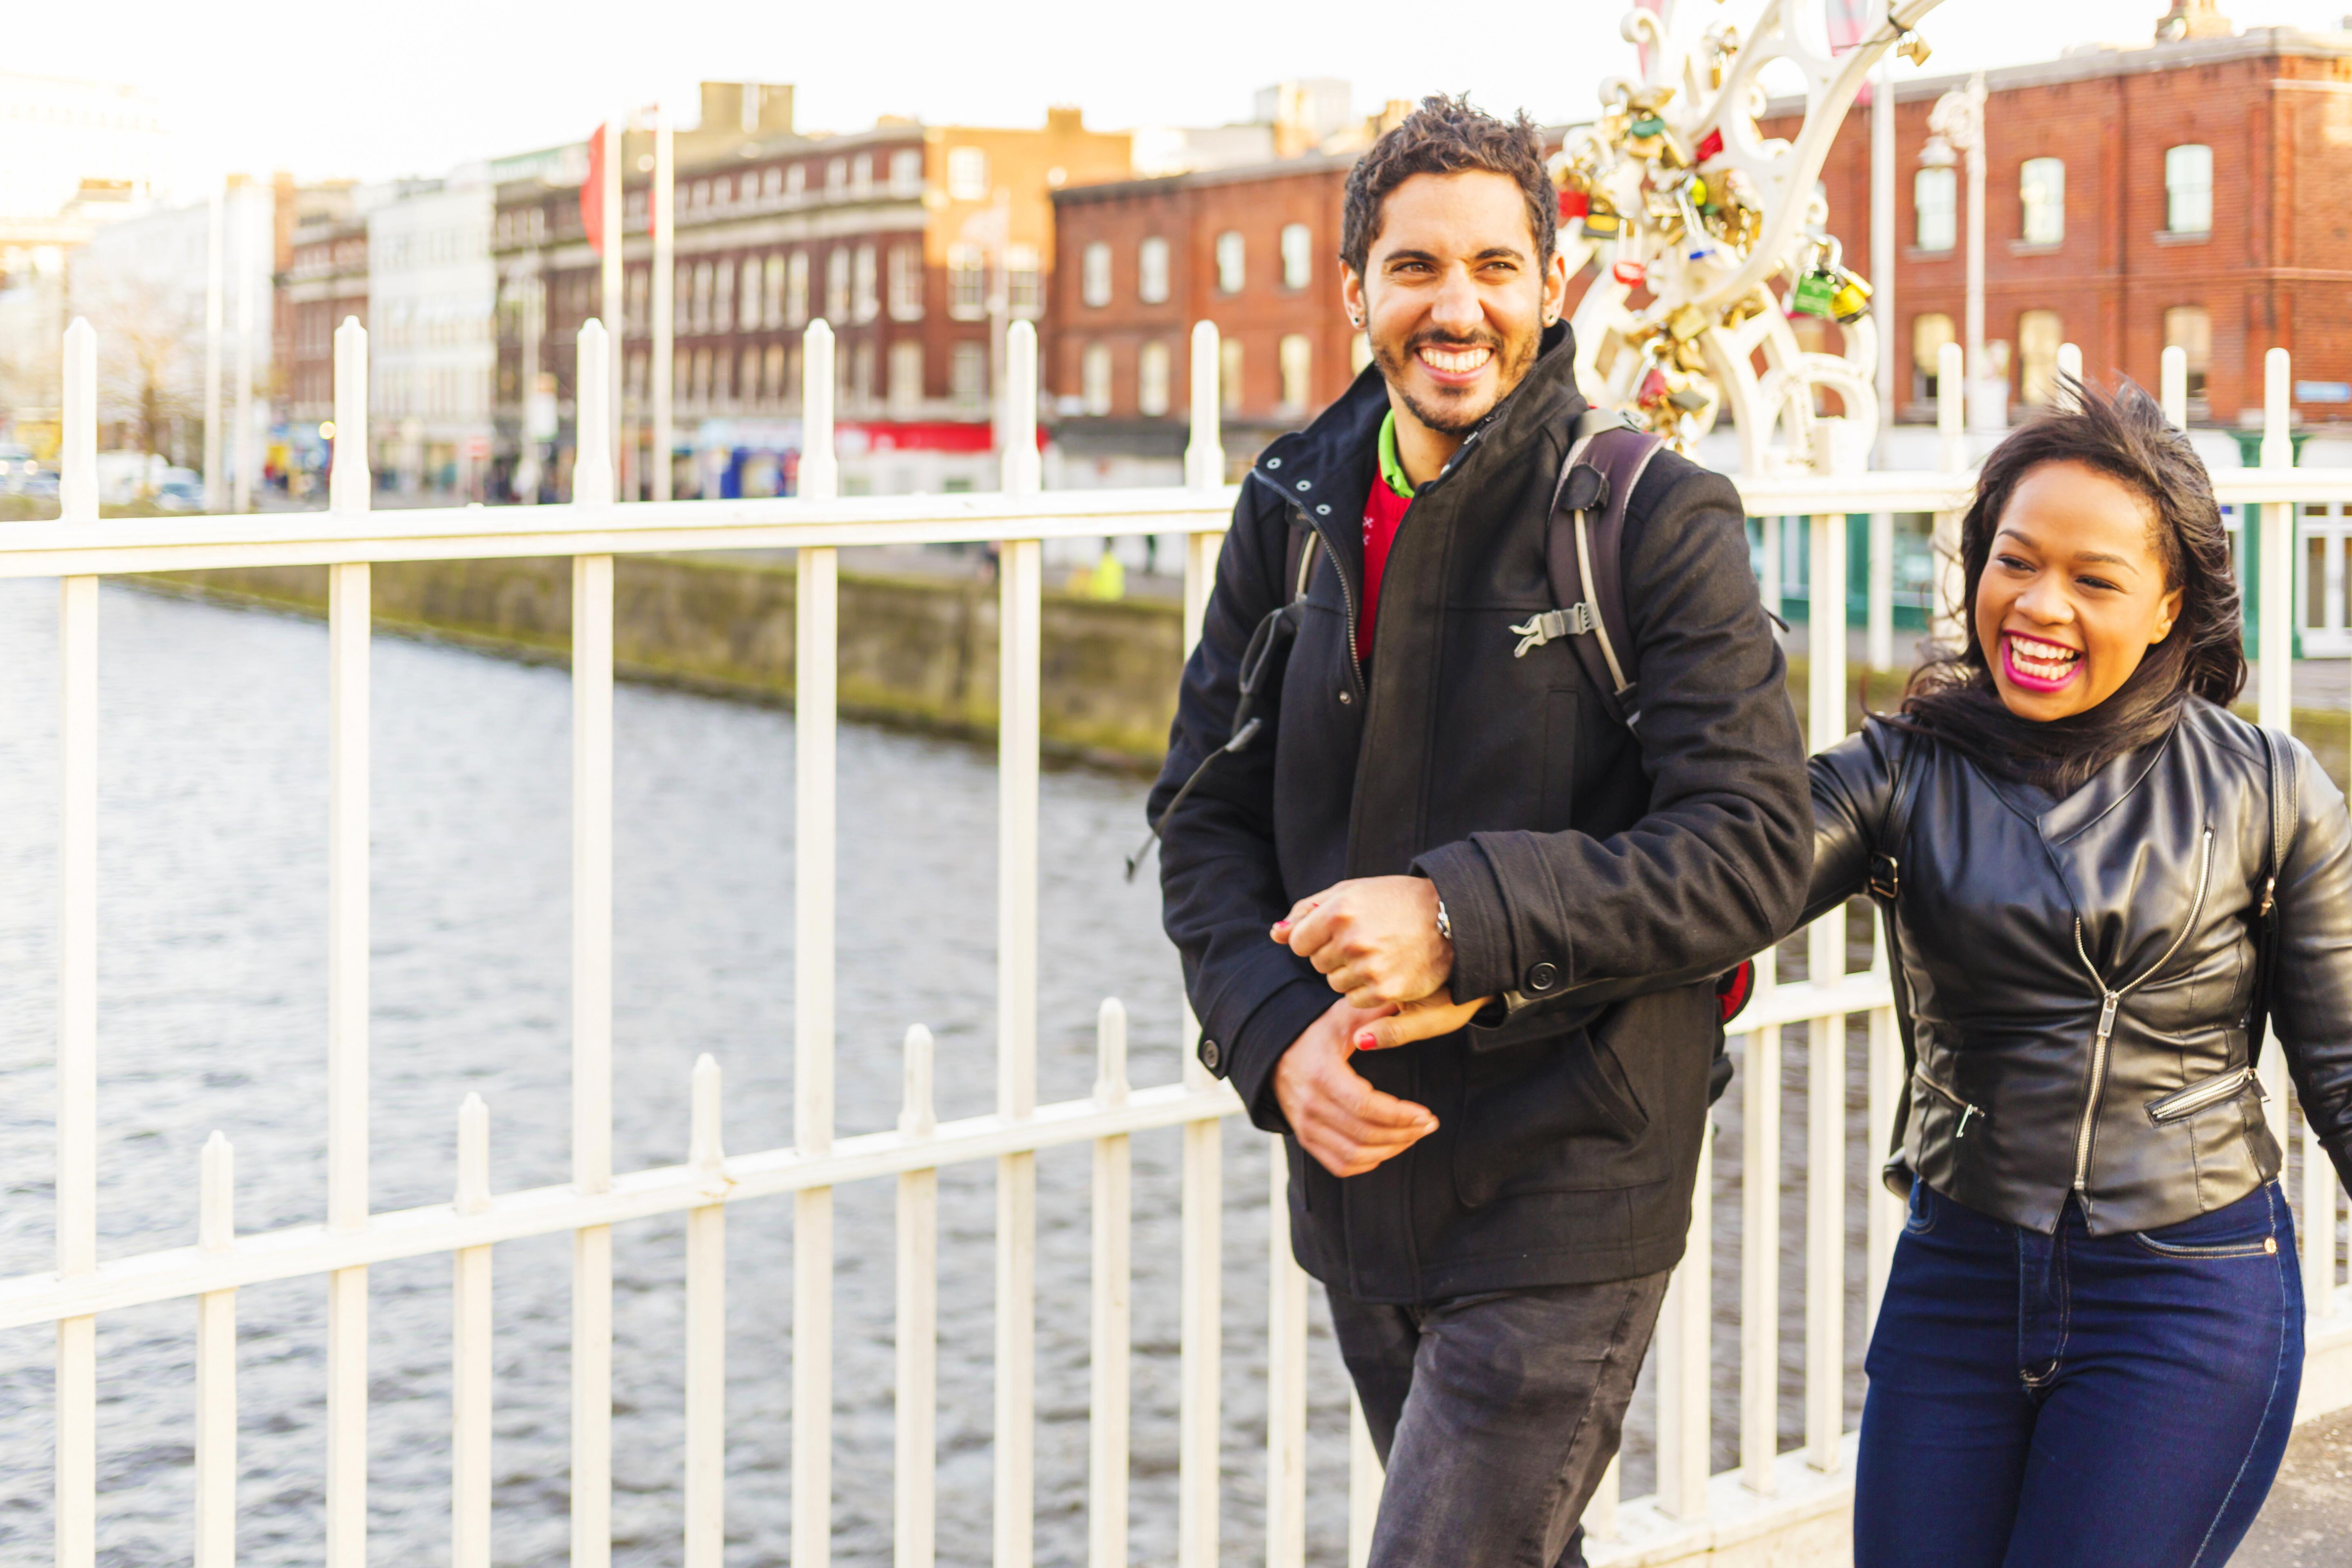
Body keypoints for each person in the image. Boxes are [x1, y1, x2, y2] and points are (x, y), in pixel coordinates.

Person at [1149, 95, 1810, 1567]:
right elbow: (1203, 815)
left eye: (1497, 269)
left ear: (1550, 286)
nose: (1459, 309)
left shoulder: (1650, 516)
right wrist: (1272, 1037)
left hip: (1575, 1166)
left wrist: (1458, 919)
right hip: (1364, 1166)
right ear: (1356, 292)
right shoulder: (1292, 508)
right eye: (1417, 268)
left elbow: (1754, 844)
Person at [1804, 381, 2352, 1566]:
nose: (2040, 606)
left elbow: (2346, 1072)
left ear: (2170, 608)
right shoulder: (1898, 772)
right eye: (2015, 562)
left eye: (2095, 581)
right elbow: (1711, 882)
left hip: (2186, 1293)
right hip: (1955, 1273)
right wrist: (1468, 931)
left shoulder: (2269, 788)